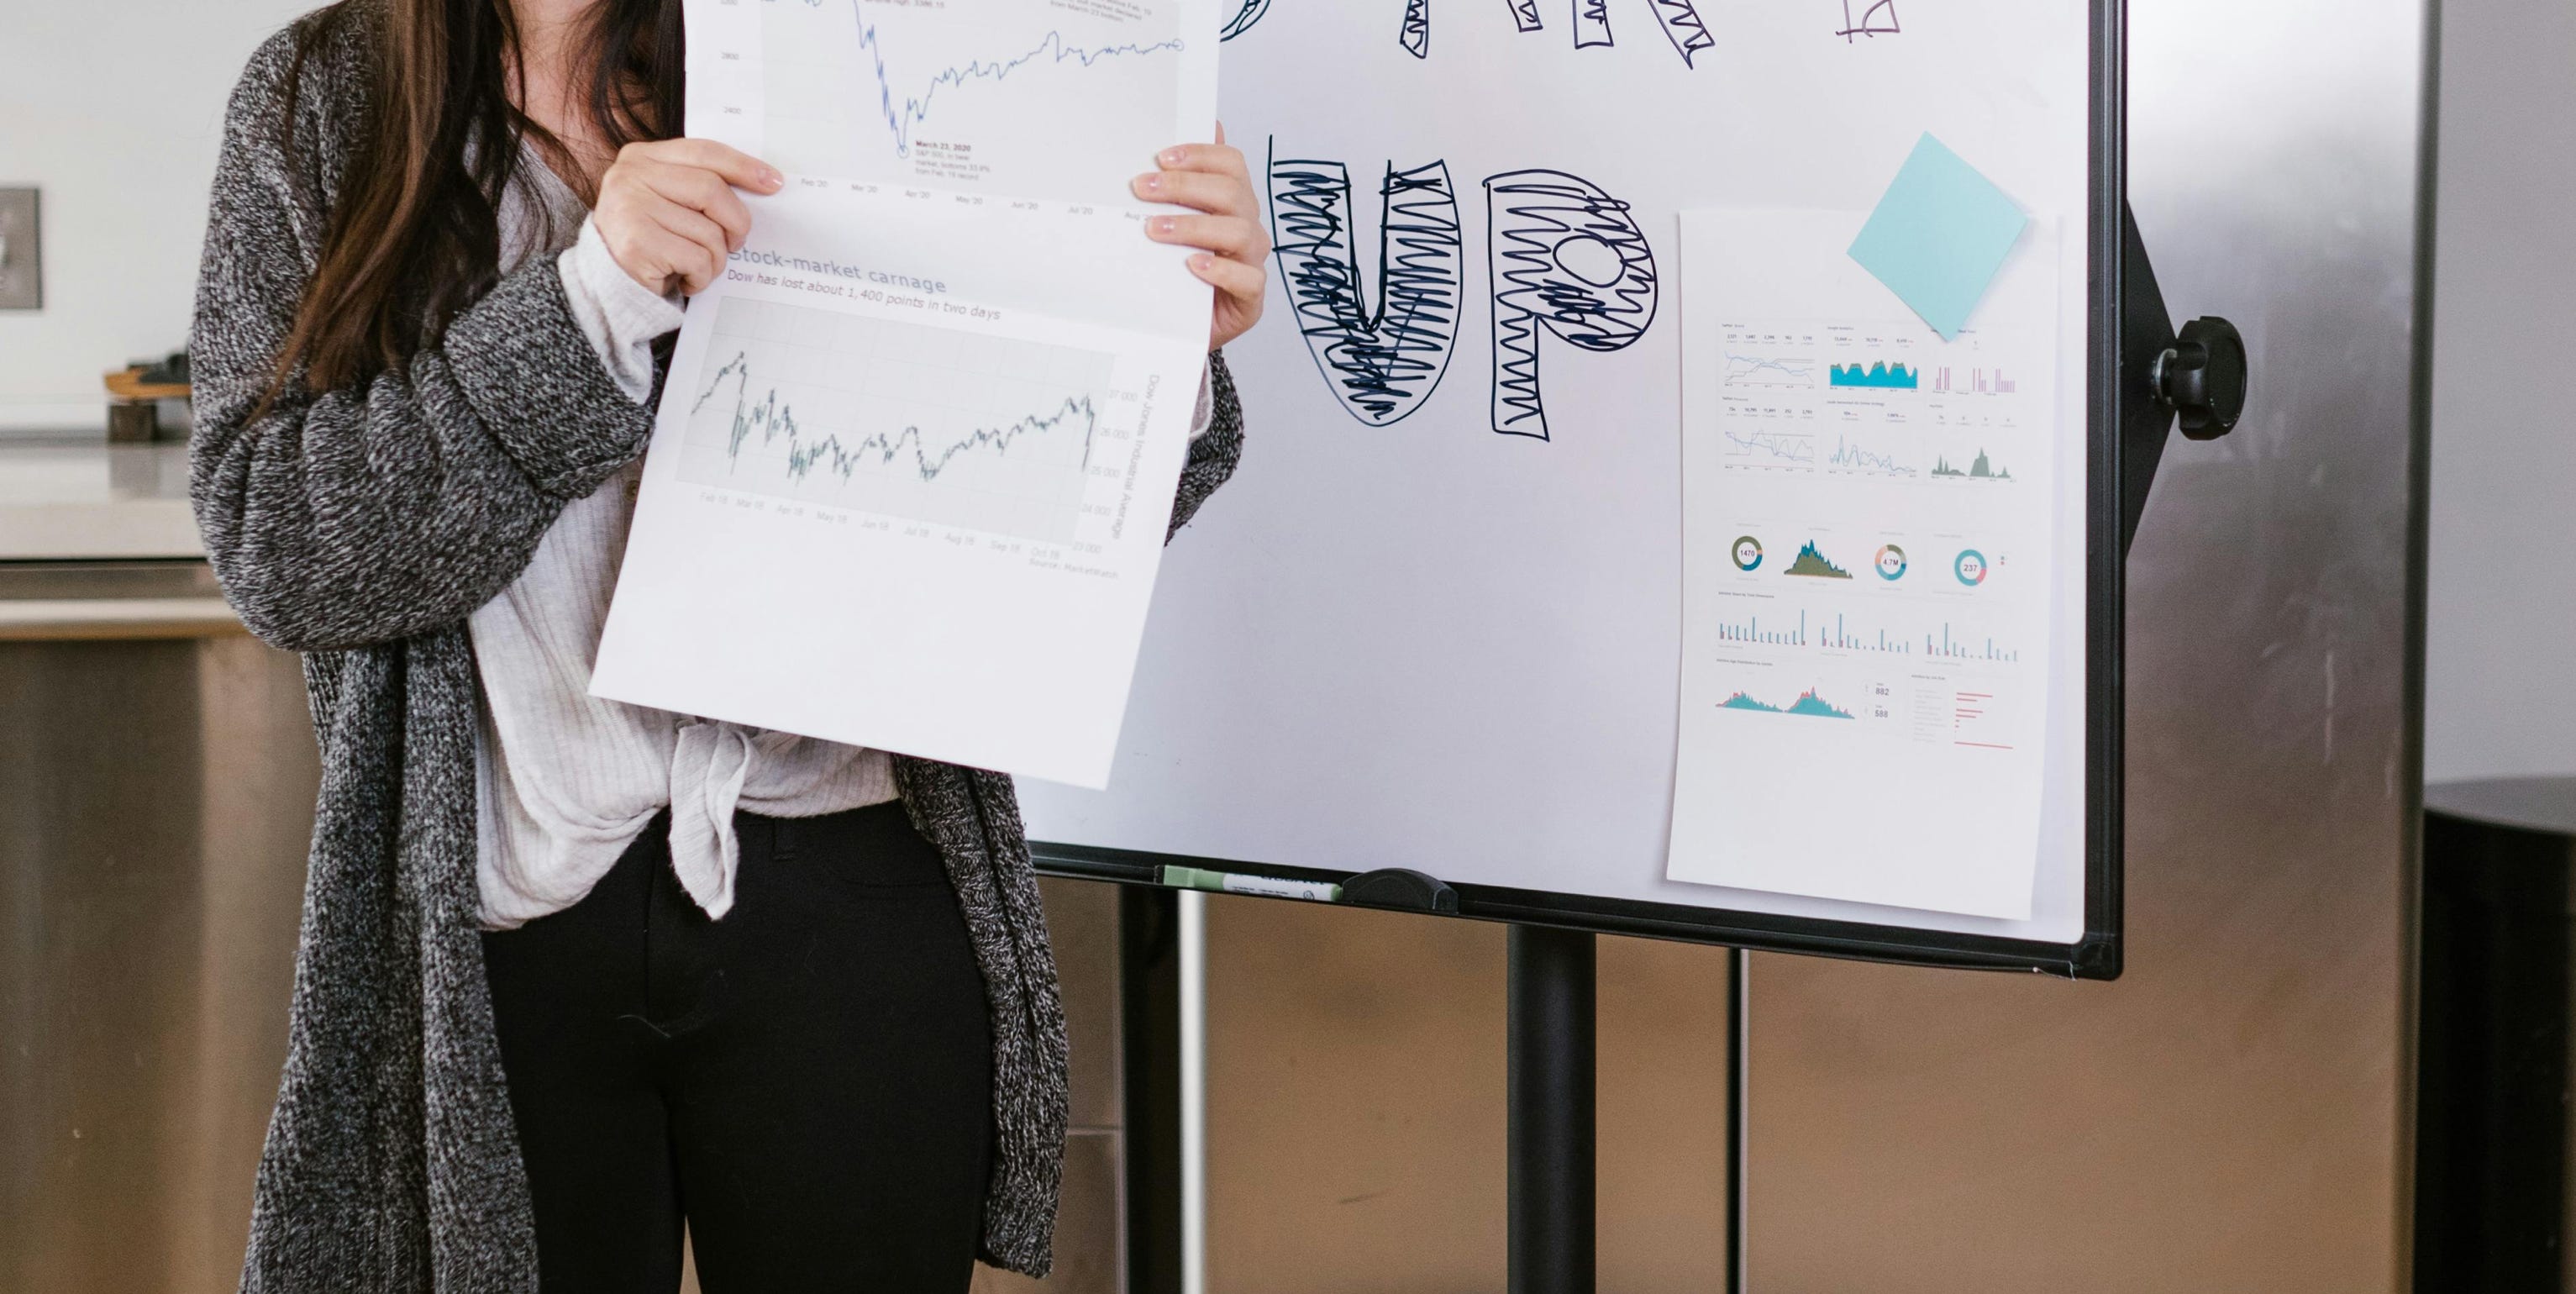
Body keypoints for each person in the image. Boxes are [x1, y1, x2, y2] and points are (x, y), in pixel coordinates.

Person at [188, 0, 1267, 1288]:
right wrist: (588, 303)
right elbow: (283, 551)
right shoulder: (323, 101)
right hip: (501, 920)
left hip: (855, 875)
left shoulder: (858, 41)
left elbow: (996, 495)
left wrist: (1152, 343)